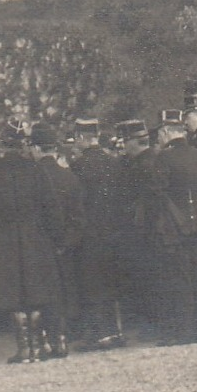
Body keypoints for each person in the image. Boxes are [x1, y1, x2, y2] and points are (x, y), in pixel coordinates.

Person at [0, 125, 66, 364]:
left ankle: (25, 348)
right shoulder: (36, 170)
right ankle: (40, 346)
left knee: (13, 293)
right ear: (22, 144)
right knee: (36, 290)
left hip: (5, 240)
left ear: (3, 146)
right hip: (35, 238)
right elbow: (51, 208)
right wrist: (57, 238)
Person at [140, 117, 197, 345]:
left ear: (166, 133)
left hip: (173, 229)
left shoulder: (165, 158)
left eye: (160, 133)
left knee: (176, 279)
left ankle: (180, 332)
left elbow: (155, 194)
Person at [73, 120, 131, 350]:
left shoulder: (78, 166)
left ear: (80, 137)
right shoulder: (114, 163)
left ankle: (99, 333)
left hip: (90, 234)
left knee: (93, 284)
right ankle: (116, 330)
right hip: (114, 232)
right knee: (112, 282)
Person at [31, 124, 84, 358]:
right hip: (65, 245)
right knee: (64, 290)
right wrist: (66, 243)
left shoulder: (31, 178)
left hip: (40, 245)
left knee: (43, 293)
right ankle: (63, 338)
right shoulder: (69, 176)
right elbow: (78, 217)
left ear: (36, 148)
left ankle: (46, 341)